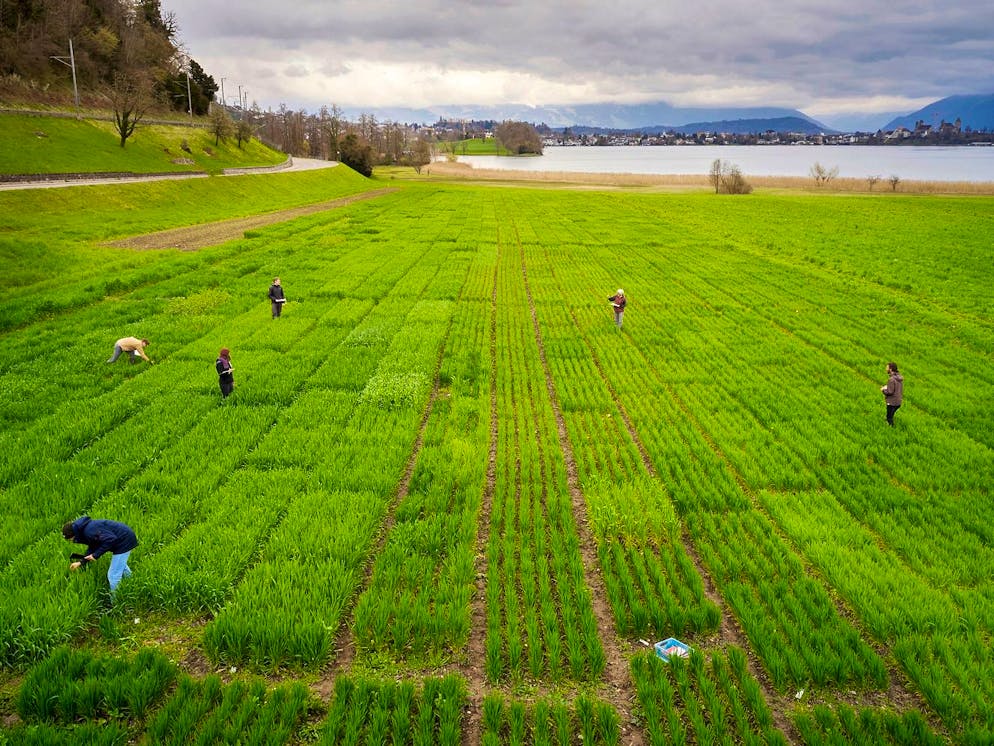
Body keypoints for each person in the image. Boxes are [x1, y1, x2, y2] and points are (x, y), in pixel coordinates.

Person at [62, 516, 138, 598]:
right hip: (122, 539)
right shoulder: (84, 531)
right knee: (120, 567)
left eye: (70, 539)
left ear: (73, 534)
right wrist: (81, 562)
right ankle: (132, 585)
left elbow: (110, 539)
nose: (71, 541)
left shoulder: (89, 531)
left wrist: (95, 555)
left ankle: (116, 601)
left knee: (113, 576)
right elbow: (93, 546)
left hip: (124, 541)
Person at [880, 362, 904, 426]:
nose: (886, 369)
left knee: (889, 418)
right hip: (898, 402)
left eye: (887, 367)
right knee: (890, 415)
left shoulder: (891, 379)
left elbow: (890, 392)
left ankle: (891, 428)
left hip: (892, 402)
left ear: (890, 369)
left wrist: (883, 390)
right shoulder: (899, 377)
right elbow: (895, 388)